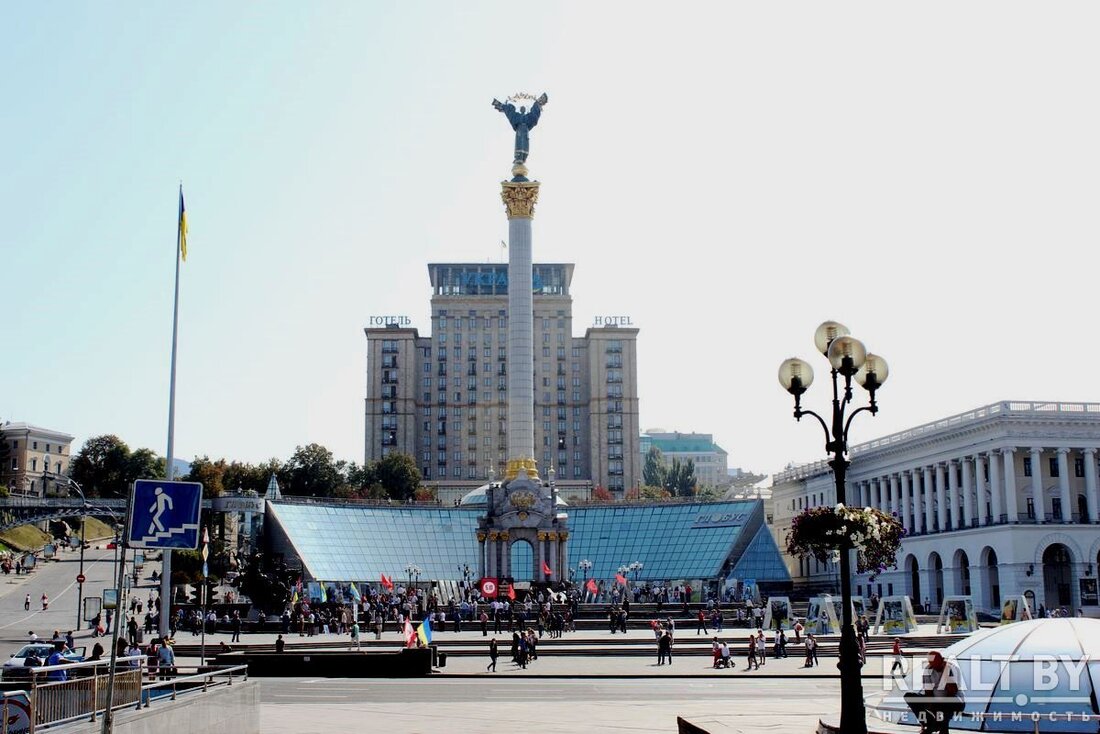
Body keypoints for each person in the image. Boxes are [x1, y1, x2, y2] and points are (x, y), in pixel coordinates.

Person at [904, 651, 964, 734]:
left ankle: (934, 727)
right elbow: (928, 692)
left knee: (947, 703)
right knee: (909, 696)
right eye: (932, 664)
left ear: (942, 659)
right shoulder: (928, 669)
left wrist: (946, 673)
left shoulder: (952, 668)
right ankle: (930, 723)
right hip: (936, 701)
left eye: (937, 663)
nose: (935, 666)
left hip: (954, 701)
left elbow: (952, 691)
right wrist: (933, 703)